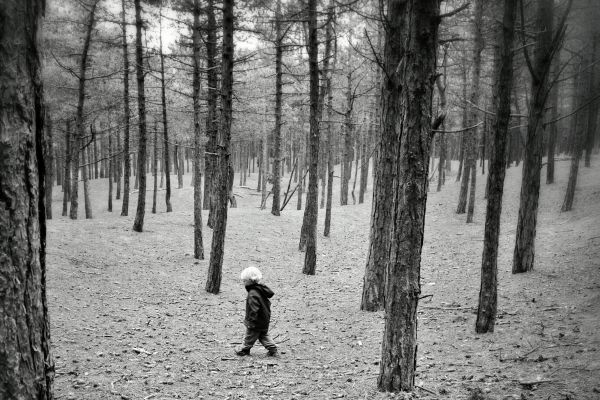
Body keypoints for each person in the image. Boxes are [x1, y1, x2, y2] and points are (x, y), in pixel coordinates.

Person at [235, 267, 279, 357]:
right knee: (263, 335)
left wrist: (251, 321)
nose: (243, 283)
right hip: (264, 319)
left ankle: (244, 349)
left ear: (250, 281)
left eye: (244, 281)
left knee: (250, 335)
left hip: (256, 320)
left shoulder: (252, 293)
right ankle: (272, 348)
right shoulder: (260, 289)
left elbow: (253, 309)